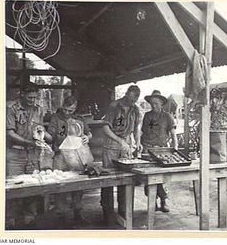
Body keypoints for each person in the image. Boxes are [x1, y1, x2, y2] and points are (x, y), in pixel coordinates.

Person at [6, 83, 52, 228]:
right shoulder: (11, 109)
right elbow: (10, 133)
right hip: (15, 152)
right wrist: (29, 142)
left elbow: (39, 128)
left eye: (35, 97)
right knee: (13, 187)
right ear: (22, 94)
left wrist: (42, 134)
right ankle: (9, 222)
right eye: (30, 97)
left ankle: (29, 219)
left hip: (32, 153)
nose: (33, 100)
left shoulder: (38, 109)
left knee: (31, 187)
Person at [47, 96, 92, 225]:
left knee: (78, 185)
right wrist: (44, 134)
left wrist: (87, 137)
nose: (67, 113)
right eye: (66, 110)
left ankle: (77, 214)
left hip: (77, 155)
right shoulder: (56, 118)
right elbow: (50, 137)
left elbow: (89, 133)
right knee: (60, 185)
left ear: (75, 108)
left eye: (70, 110)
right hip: (60, 155)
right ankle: (61, 217)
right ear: (62, 106)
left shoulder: (79, 119)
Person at [101, 85, 142, 219]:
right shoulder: (114, 106)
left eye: (134, 101)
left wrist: (137, 142)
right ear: (126, 94)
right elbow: (106, 127)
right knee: (108, 179)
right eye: (130, 99)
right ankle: (107, 212)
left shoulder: (136, 109)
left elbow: (136, 128)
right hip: (111, 145)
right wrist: (120, 141)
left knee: (126, 179)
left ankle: (124, 211)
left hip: (126, 146)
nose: (131, 103)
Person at [141, 90, 178, 213]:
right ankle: (153, 201)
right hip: (147, 149)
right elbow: (142, 131)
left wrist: (175, 149)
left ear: (161, 103)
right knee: (148, 177)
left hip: (162, 150)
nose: (154, 105)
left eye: (156, 103)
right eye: (152, 103)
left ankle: (163, 200)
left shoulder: (167, 116)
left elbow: (173, 134)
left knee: (161, 177)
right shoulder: (147, 116)